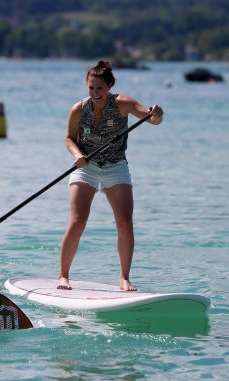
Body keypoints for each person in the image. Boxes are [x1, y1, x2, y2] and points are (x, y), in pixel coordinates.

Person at [58, 61, 163, 292]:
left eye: (100, 88)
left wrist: (156, 114)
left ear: (110, 86)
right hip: (87, 167)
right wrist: (77, 154)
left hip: (116, 167)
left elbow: (151, 119)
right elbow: (69, 138)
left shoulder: (123, 104)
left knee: (125, 223)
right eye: (91, 88)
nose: (95, 94)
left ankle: (124, 278)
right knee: (77, 222)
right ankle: (63, 276)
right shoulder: (78, 109)